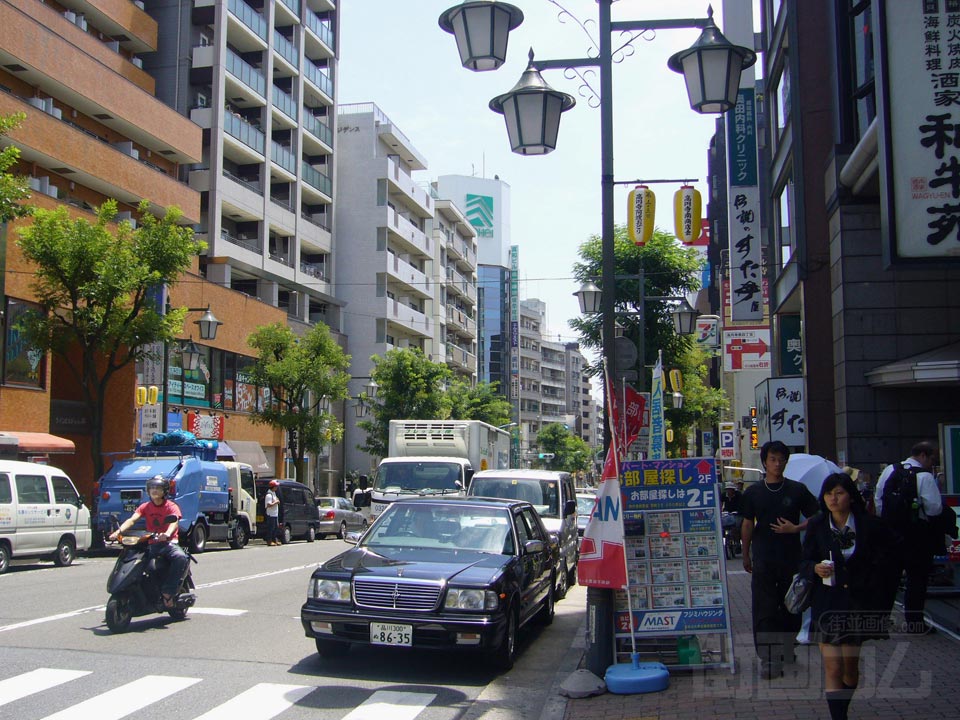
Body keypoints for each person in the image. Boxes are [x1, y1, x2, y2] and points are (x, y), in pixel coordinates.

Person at [800, 473, 893, 720]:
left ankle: (844, 704)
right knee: (833, 666)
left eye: (839, 493)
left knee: (850, 670)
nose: (833, 498)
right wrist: (814, 568)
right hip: (826, 602)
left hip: (857, 602)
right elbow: (803, 560)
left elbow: (887, 559)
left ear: (850, 497)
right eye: (829, 493)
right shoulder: (817, 525)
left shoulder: (869, 525)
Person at [740, 440, 820, 679]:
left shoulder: (797, 490)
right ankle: (768, 658)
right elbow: (746, 523)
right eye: (773, 459)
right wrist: (746, 553)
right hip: (763, 558)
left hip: (792, 558)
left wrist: (796, 528)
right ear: (764, 462)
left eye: (781, 459)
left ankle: (787, 647)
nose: (777, 464)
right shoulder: (753, 492)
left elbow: (817, 517)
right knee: (764, 608)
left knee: (792, 606)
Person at [874, 440, 942, 631]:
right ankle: (914, 623)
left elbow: (878, 500)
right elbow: (934, 508)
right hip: (916, 536)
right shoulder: (925, 477)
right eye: (931, 459)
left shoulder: (890, 471)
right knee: (917, 579)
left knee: (888, 579)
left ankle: (880, 621)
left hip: (890, 534)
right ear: (923, 456)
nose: (931, 464)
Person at [108, 474, 189, 609]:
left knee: (180, 557)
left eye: (158, 488)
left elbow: (174, 521)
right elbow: (132, 520)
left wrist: (167, 534)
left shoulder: (171, 506)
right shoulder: (145, 506)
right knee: (135, 560)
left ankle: (168, 592)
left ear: (165, 491)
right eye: (152, 488)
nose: (154, 491)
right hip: (152, 543)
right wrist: (118, 532)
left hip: (168, 543)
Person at [264, 479, 281, 546]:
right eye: (275, 486)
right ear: (273, 487)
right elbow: (268, 505)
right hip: (270, 514)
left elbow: (278, 500)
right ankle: (269, 541)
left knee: (275, 528)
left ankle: (274, 540)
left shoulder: (273, 493)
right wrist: (276, 502)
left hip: (275, 514)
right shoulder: (269, 495)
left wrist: (277, 501)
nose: (276, 488)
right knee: (270, 528)